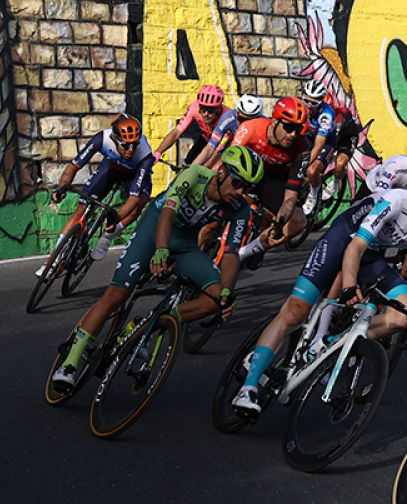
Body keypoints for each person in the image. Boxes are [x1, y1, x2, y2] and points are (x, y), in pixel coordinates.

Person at [231, 173, 407, 415]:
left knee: (403, 315)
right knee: (295, 310)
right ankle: (248, 388)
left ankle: (331, 342)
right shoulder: (397, 200)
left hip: (372, 257)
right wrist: (349, 286)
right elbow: (356, 246)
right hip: (342, 241)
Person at [50, 145, 263, 392]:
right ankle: (70, 363)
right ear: (222, 172)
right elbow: (167, 214)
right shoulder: (195, 175)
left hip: (185, 244)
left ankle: (151, 323)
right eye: (238, 183)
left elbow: (232, 252)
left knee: (215, 299)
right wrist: (160, 250)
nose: (240, 192)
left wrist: (226, 291)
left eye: (247, 188)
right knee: (118, 293)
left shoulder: (240, 209)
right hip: (155, 228)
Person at [40, 113, 155, 272]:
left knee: (138, 205)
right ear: (114, 139)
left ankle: (106, 239)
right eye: (125, 145)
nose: (131, 149)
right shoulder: (102, 139)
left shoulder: (144, 155)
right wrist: (61, 187)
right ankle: (53, 260)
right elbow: (74, 166)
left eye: (134, 144)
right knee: (81, 210)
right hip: (112, 168)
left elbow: (134, 198)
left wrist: (116, 218)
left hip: (134, 174)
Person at [230, 97, 316, 269]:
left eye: (298, 129)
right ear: (275, 121)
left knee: (298, 221)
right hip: (243, 172)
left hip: (272, 180)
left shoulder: (301, 149)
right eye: (289, 127)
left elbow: (291, 194)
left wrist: (280, 222)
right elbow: (229, 161)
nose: (292, 135)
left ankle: (245, 252)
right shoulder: (251, 128)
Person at [155, 84, 226, 165]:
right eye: (203, 109)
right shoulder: (194, 109)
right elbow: (176, 132)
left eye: (211, 111)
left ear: (218, 109)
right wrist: (158, 152)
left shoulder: (226, 117)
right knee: (186, 166)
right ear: (199, 107)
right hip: (206, 138)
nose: (206, 114)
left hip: (223, 145)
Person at [192, 94, 262, 170]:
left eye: (249, 121)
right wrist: (191, 168)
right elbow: (209, 148)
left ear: (258, 118)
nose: (244, 125)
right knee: (215, 169)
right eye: (241, 119)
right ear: (237, 113)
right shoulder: (228, 118)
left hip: (253, 153)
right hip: (230, 149)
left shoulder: (265, 125)